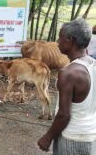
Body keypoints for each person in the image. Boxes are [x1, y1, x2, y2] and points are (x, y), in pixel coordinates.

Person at [38, 18, 96, 155]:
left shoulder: (68, 73)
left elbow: (64, 115)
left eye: (60, 38)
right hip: (90, 135)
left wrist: (48, 137)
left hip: (72, 138)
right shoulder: (93, 63)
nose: (57, 42)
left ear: (70, 40)